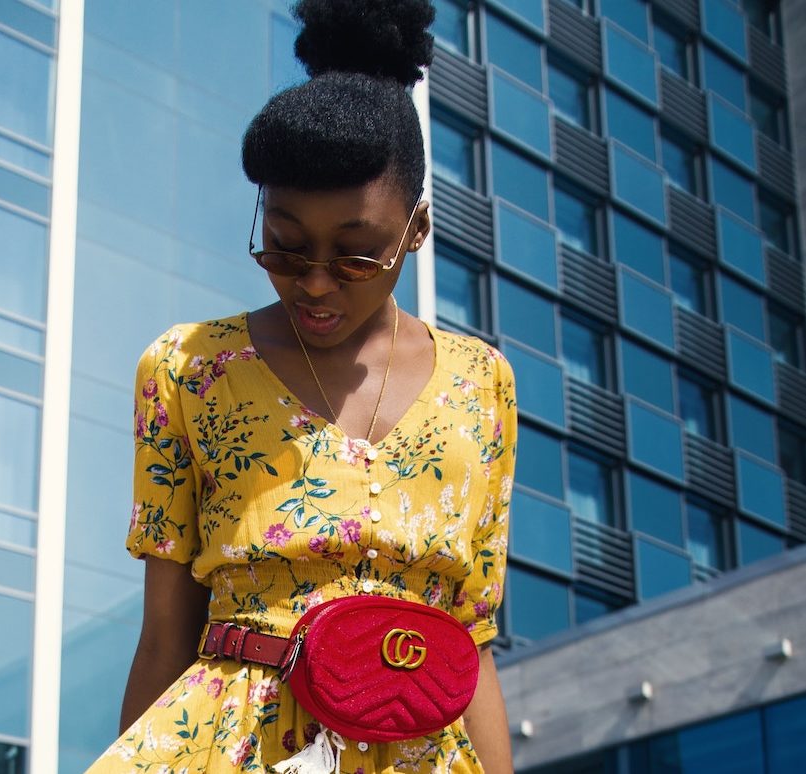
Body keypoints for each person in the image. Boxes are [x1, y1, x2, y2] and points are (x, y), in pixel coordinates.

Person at [88, 1, 517, 771]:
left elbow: (472, 641)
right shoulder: (188, 368)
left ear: (415, 231)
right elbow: (163, 635)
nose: (315, 284)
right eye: (284, 248)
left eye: (356, 256)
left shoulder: (481, 385)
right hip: (231, 748)